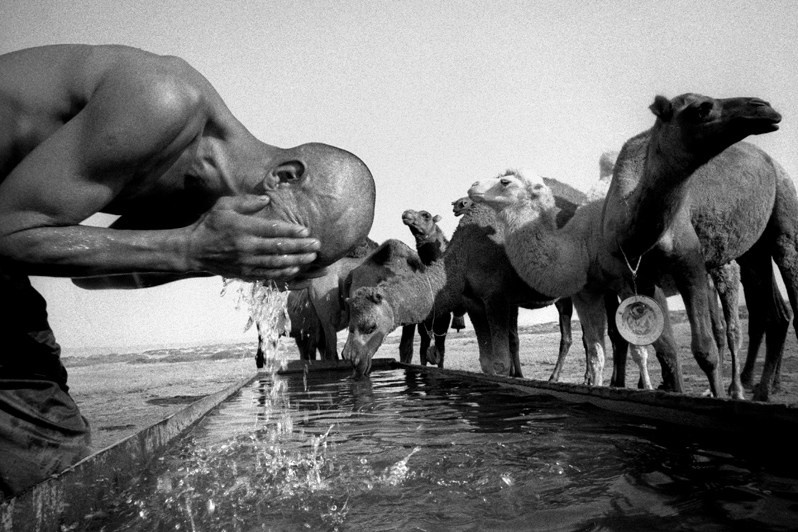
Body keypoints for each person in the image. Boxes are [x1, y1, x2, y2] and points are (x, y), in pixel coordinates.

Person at [0, 44, 375, 497]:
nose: (280, 267)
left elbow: (91, 272)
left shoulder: (200, 196)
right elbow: (8, 234)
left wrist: (206, 255)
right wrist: (192, 250)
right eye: (290, 241)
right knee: (44, 447)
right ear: (284, 176)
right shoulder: (164, 102)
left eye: (298, 265)